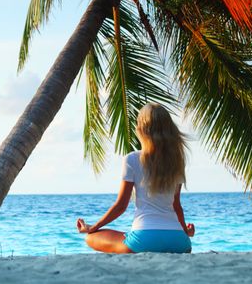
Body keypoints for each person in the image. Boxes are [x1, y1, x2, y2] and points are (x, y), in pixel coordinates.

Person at [76, 103, 195, 253]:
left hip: (144, 240)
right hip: (180, 243)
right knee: (131, 236)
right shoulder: (177, 161)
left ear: (142, 129)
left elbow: (121, 206)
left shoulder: (132, 159)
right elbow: (176, 206)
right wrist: (185, 231)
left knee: (91, 237)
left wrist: (92, 227)